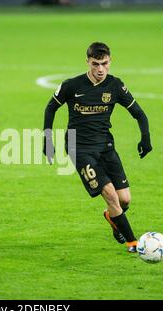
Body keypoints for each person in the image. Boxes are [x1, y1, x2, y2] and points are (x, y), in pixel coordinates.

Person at [43, 42, 152, 253]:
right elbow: (50, 108)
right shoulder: (72, 86)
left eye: (104, 64)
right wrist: (47, 139)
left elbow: (139, 113)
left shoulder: (115, 86)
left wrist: (145, 138)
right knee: (111, 196)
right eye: (95, 64)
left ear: (110, 62)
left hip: (106, 147)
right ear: (88, 62)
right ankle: (134, 244)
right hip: (79, 148)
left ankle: (112, 218)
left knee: (124, 200)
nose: (100, 69)